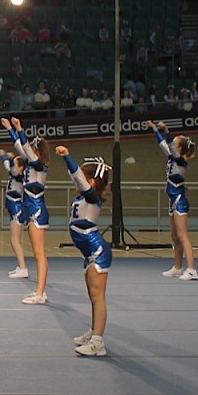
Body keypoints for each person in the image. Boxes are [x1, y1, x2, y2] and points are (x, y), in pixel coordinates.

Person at [55, 146, 113, 357]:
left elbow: (78, 177)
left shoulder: (92, 198)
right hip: (89, 253)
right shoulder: (84, 197)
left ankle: (98, 342)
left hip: (97, 251)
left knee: (98, 296)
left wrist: (67, 157)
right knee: (92, 295)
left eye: (82, 178)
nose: (76, 181)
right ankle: (93, 331)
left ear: (91, 182)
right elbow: (77, 178)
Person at [1, 117, 49, 304]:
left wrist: (20, 129)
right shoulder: (31, 164)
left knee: (39, 253)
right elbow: (20, 146)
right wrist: (10, 129)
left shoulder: (39, 166)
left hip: (37, 211)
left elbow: (26, 148)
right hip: (31, 211)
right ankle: (40, 291)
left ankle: (40, 292)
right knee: (38, 252)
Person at [147, 120, 198, 280]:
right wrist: (155, 129)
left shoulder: (180, 161)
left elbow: (168, 142)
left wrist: (167, 130)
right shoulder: (171, 157)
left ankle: (191, 269)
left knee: (183, 235)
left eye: (175, 144)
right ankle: (178, 266)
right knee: (174, 236)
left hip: (179, 199)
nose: (172, 145)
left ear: (180, 148)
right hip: (172, 199)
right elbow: (162, 143)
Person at [0, 149, 28, 278]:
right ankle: (21, 266)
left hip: (17, 209)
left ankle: (23, 268)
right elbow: (7, 165)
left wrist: (9, 158)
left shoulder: (19, 176)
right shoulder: (13, 173)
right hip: (13, 208)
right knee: (14, 240)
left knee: (15, 240)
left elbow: (10, 167)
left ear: (20, 168)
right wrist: (4, 156)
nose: (13, 167)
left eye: (16, 164)